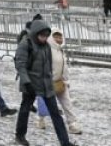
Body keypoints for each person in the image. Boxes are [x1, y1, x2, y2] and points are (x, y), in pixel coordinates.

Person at [14, 17, 77, 146]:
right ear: (35, 33)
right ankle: (20, 136)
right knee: (25, 110)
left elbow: (48, 65)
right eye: (42, 36)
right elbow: (20, 64)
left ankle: (65, 142)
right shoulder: (26, 44)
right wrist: (26, 82)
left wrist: (52, 79)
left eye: (46, 36)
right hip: (31, 83)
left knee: (55, 114)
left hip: (46, 84)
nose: (44, 38)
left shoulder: (46, 46)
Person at [37, 30, 81, 135]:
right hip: (49, 83)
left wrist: (66, 80)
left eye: (60, 37)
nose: (58, 39)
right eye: (56, 37)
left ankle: (72, 124)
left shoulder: (60, 50)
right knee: (45, 104)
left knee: (67, 104)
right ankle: (40, 118)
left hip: (61, 82)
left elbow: (64, 67)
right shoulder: (47, 49)